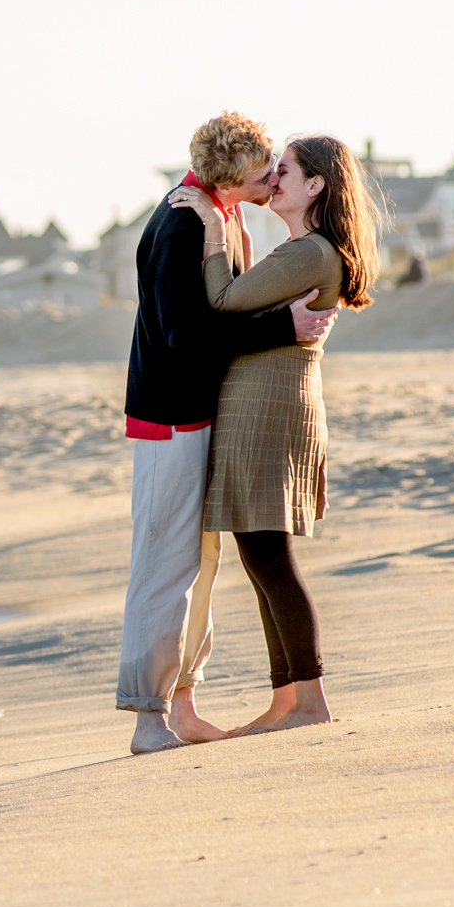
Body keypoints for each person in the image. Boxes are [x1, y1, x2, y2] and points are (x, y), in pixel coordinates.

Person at [118, 114, 337, 754]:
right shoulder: (184, 220)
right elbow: (184, 334)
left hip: (205, 416)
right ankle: (146, 718)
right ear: (232, 173)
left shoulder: (223, 214)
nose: (272, 176)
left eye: (279, 168)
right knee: (164, 567)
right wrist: (281, 330)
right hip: (169, 418)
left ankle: (181, 706)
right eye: (264, 168)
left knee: (200, 567)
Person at [171, 133, 377, 734]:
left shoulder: (309, 252)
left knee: (268, 555)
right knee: (260, 553)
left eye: (283, 170)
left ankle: (308, 701)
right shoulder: (301, 249)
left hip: (269, 412)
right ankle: (288, 699)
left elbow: (223, 297)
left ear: (315, 185)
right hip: (270, 407)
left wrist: (211, 222)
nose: (273, 179)